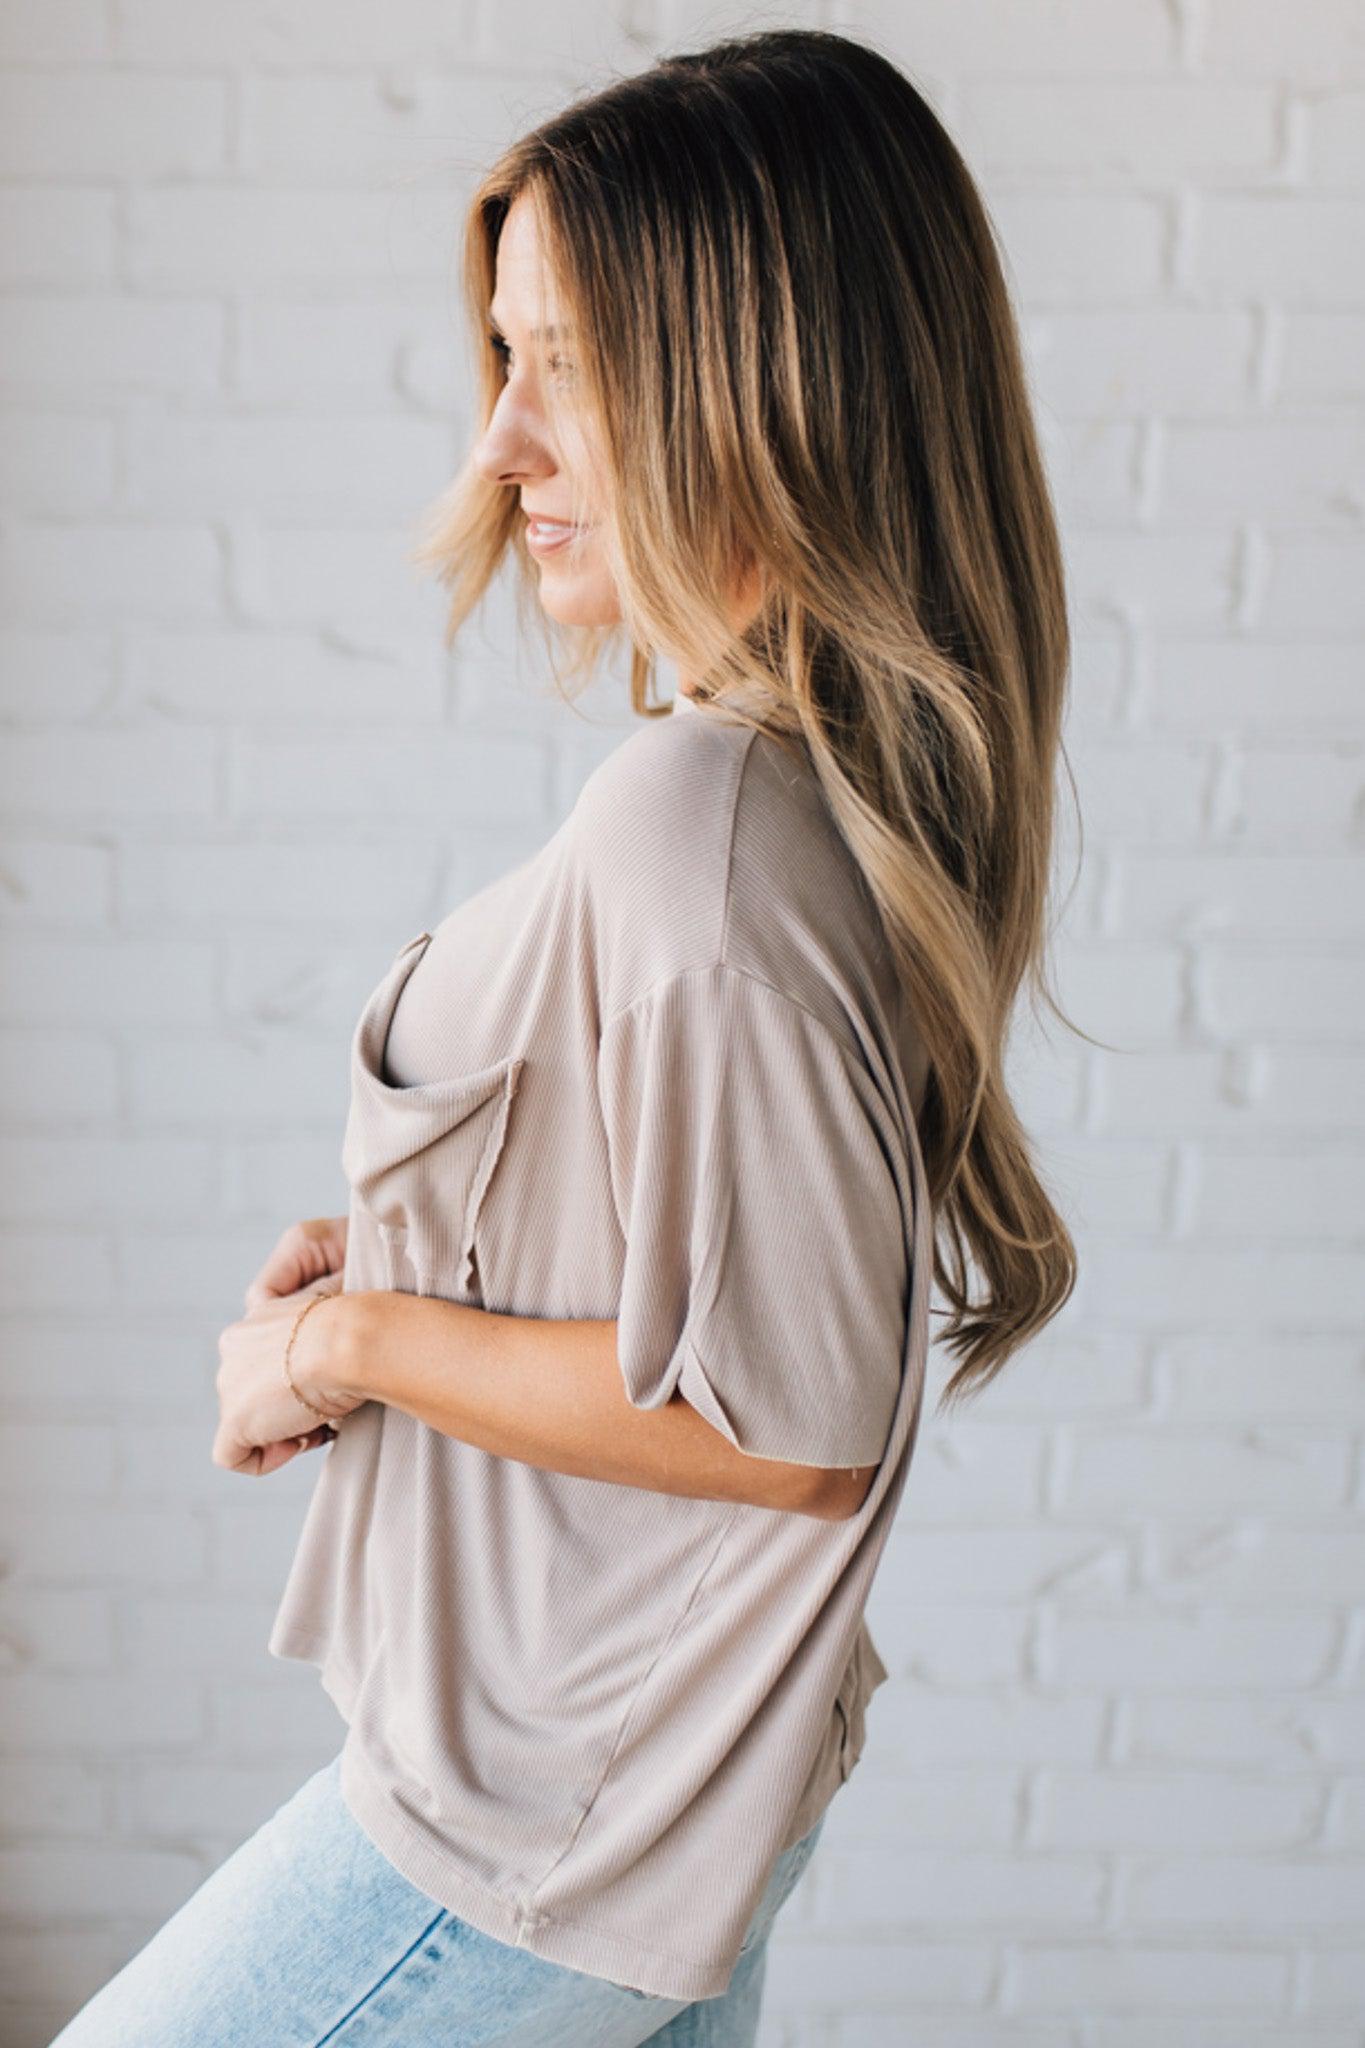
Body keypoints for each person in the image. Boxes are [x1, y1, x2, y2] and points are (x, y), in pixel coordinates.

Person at [51, 25, 1079, 2046]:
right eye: (504, 357)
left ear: (768, 389)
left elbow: (784, 1423)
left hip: (534, 1828)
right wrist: (430, 1260)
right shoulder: (788, 794)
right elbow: (719, 1274)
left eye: (573, 366)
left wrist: (348, 1344)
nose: (501, 442)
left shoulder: (699, 819)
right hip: (632, 1798)